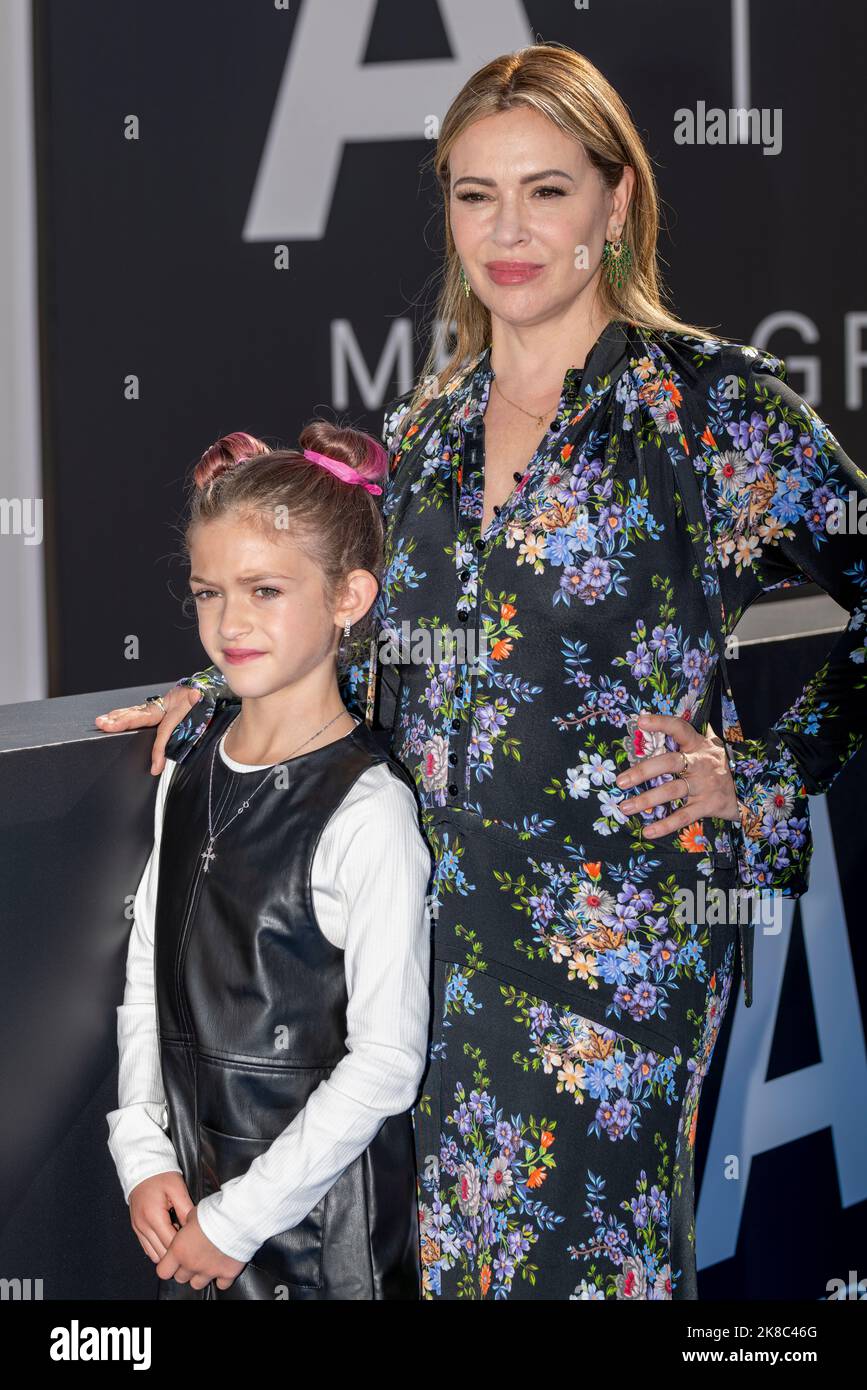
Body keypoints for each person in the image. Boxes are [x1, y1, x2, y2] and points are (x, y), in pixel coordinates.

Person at [98, 44, 867, 1300]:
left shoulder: (706, 410)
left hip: (607, 975)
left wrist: (760, 773)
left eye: (546, 190)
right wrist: (224, 689)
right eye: (474, 194)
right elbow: (365, 640)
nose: (507, 230)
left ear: (617, 204)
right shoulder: (430, 429)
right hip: (416, 967)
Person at [104, 425, 433, 1300]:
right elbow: (147, 972)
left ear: (348, 597)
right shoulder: (192, 764)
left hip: (318, 1243)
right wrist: (141, 1150)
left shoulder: (369, 809)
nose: (231, 622)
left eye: (265, 590)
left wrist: (240, 1217)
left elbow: (387, 1063)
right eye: (210, 593)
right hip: (192, 1216)